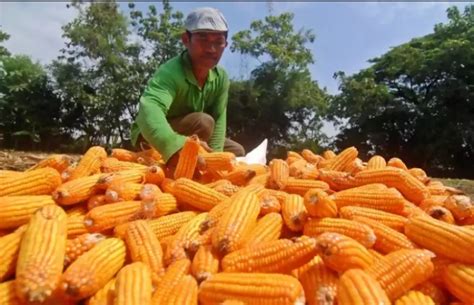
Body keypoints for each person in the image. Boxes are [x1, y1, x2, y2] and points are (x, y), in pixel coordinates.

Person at [130, 7, 245, 165]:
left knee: (236, 152)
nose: (211, 49)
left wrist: (215, 159)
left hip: (195, 133)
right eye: (203, 39)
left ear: (226, 44)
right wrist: (174, 146)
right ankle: (166, 153)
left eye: (218, 42)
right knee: (203, 122)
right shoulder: (170, 72)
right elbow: (150, 108)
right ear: (186, 39)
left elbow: (219, 118)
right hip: (153, 132)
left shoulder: (221, 78)